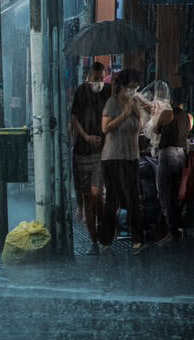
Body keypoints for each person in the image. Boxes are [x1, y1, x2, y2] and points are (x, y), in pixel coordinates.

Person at [99, 68, 145, 255]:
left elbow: (138, 128)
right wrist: (124, 114)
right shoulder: (112, 103)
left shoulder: (135, 102)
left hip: (132, 157)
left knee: (135, 200)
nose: (133, 90)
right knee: (113, 200)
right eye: (130, 87)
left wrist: (137, 113)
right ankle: (106, 239)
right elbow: (105, 128)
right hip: (113, 158)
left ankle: (138, 240)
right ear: (122, 86)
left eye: (136, 87)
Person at [71, 62, 111, 254]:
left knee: (97, 193)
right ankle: (94, 241)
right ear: (89, 78)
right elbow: (74, 119)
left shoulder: (109, 91)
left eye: (102, 79)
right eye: (96, 79)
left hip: (102, 151)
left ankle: (103, 233)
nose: (99, 82)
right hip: (82, 151)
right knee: (88, 196)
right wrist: (86, 136)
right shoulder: (81, 92)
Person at [154, 87, 191, 246]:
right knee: (178, 193)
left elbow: (156, 130)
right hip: (182, 155)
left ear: (171, 99)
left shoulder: (166, 114)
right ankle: (177, 229)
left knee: (166, 193)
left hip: (168, 154)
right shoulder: (190, 117)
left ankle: (172, 232)